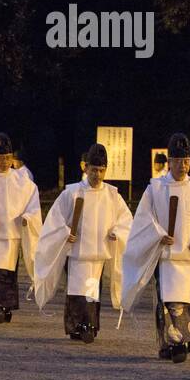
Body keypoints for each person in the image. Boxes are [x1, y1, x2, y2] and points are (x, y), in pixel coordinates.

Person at [121, 132, 190, 363]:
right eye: (178, 161)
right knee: (164, 302)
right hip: (164, 257)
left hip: (187, 257)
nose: (183, 166)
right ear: (169, 161)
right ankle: (167, 343)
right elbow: (144, 219)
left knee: (187, 299)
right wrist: (158, 235)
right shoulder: (155, 188)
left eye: (187, 161)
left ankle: (183, 342)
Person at [33, 143, 131, 342]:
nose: (97, 175)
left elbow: (126, 220)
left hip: (98, 255)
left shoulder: (112, 195)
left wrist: (117, 231)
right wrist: (64, 232)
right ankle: (80, 326)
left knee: (92, 292)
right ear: (85, 168)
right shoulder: (72, 193)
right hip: (77, 253)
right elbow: (55, 219)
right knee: (78, 291)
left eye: (101, 170)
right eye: (94, 170)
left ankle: (88, 325)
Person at [0, 132, 41, 323]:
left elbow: (33, 205)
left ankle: (6, 306)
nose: (3, 161)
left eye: (7, 158)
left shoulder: (23, 182)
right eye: (0, 158)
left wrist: (28, 218)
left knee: (7, 274)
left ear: (12, 158)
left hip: (11, 235)